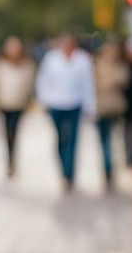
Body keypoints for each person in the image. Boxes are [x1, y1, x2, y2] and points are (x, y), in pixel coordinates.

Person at [35, 34, 97, 191]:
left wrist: (90, 106)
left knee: (72, 139)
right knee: (60, 138)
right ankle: (63, 169)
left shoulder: (83, 59)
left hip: (74, 104)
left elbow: (87, 84)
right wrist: (44, 101)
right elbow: (43, 81)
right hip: (55, 104)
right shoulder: (51, 59)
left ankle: (69, 173)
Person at [0, 35, 36, 177]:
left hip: (18, 105)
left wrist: (28, 100)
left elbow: (29, 85)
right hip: (3, 104)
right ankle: (9, 161)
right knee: (7, 133)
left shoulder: (27, 66)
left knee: (14, 133)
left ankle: (12, 161)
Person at [92, 40, 129, 188]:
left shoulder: (119, 65)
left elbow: (123, 80)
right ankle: (107, 166)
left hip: (115, 107)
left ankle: (110, 165)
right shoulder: (97, 65)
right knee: (104, 139)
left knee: (114, 139)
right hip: (101, 108)